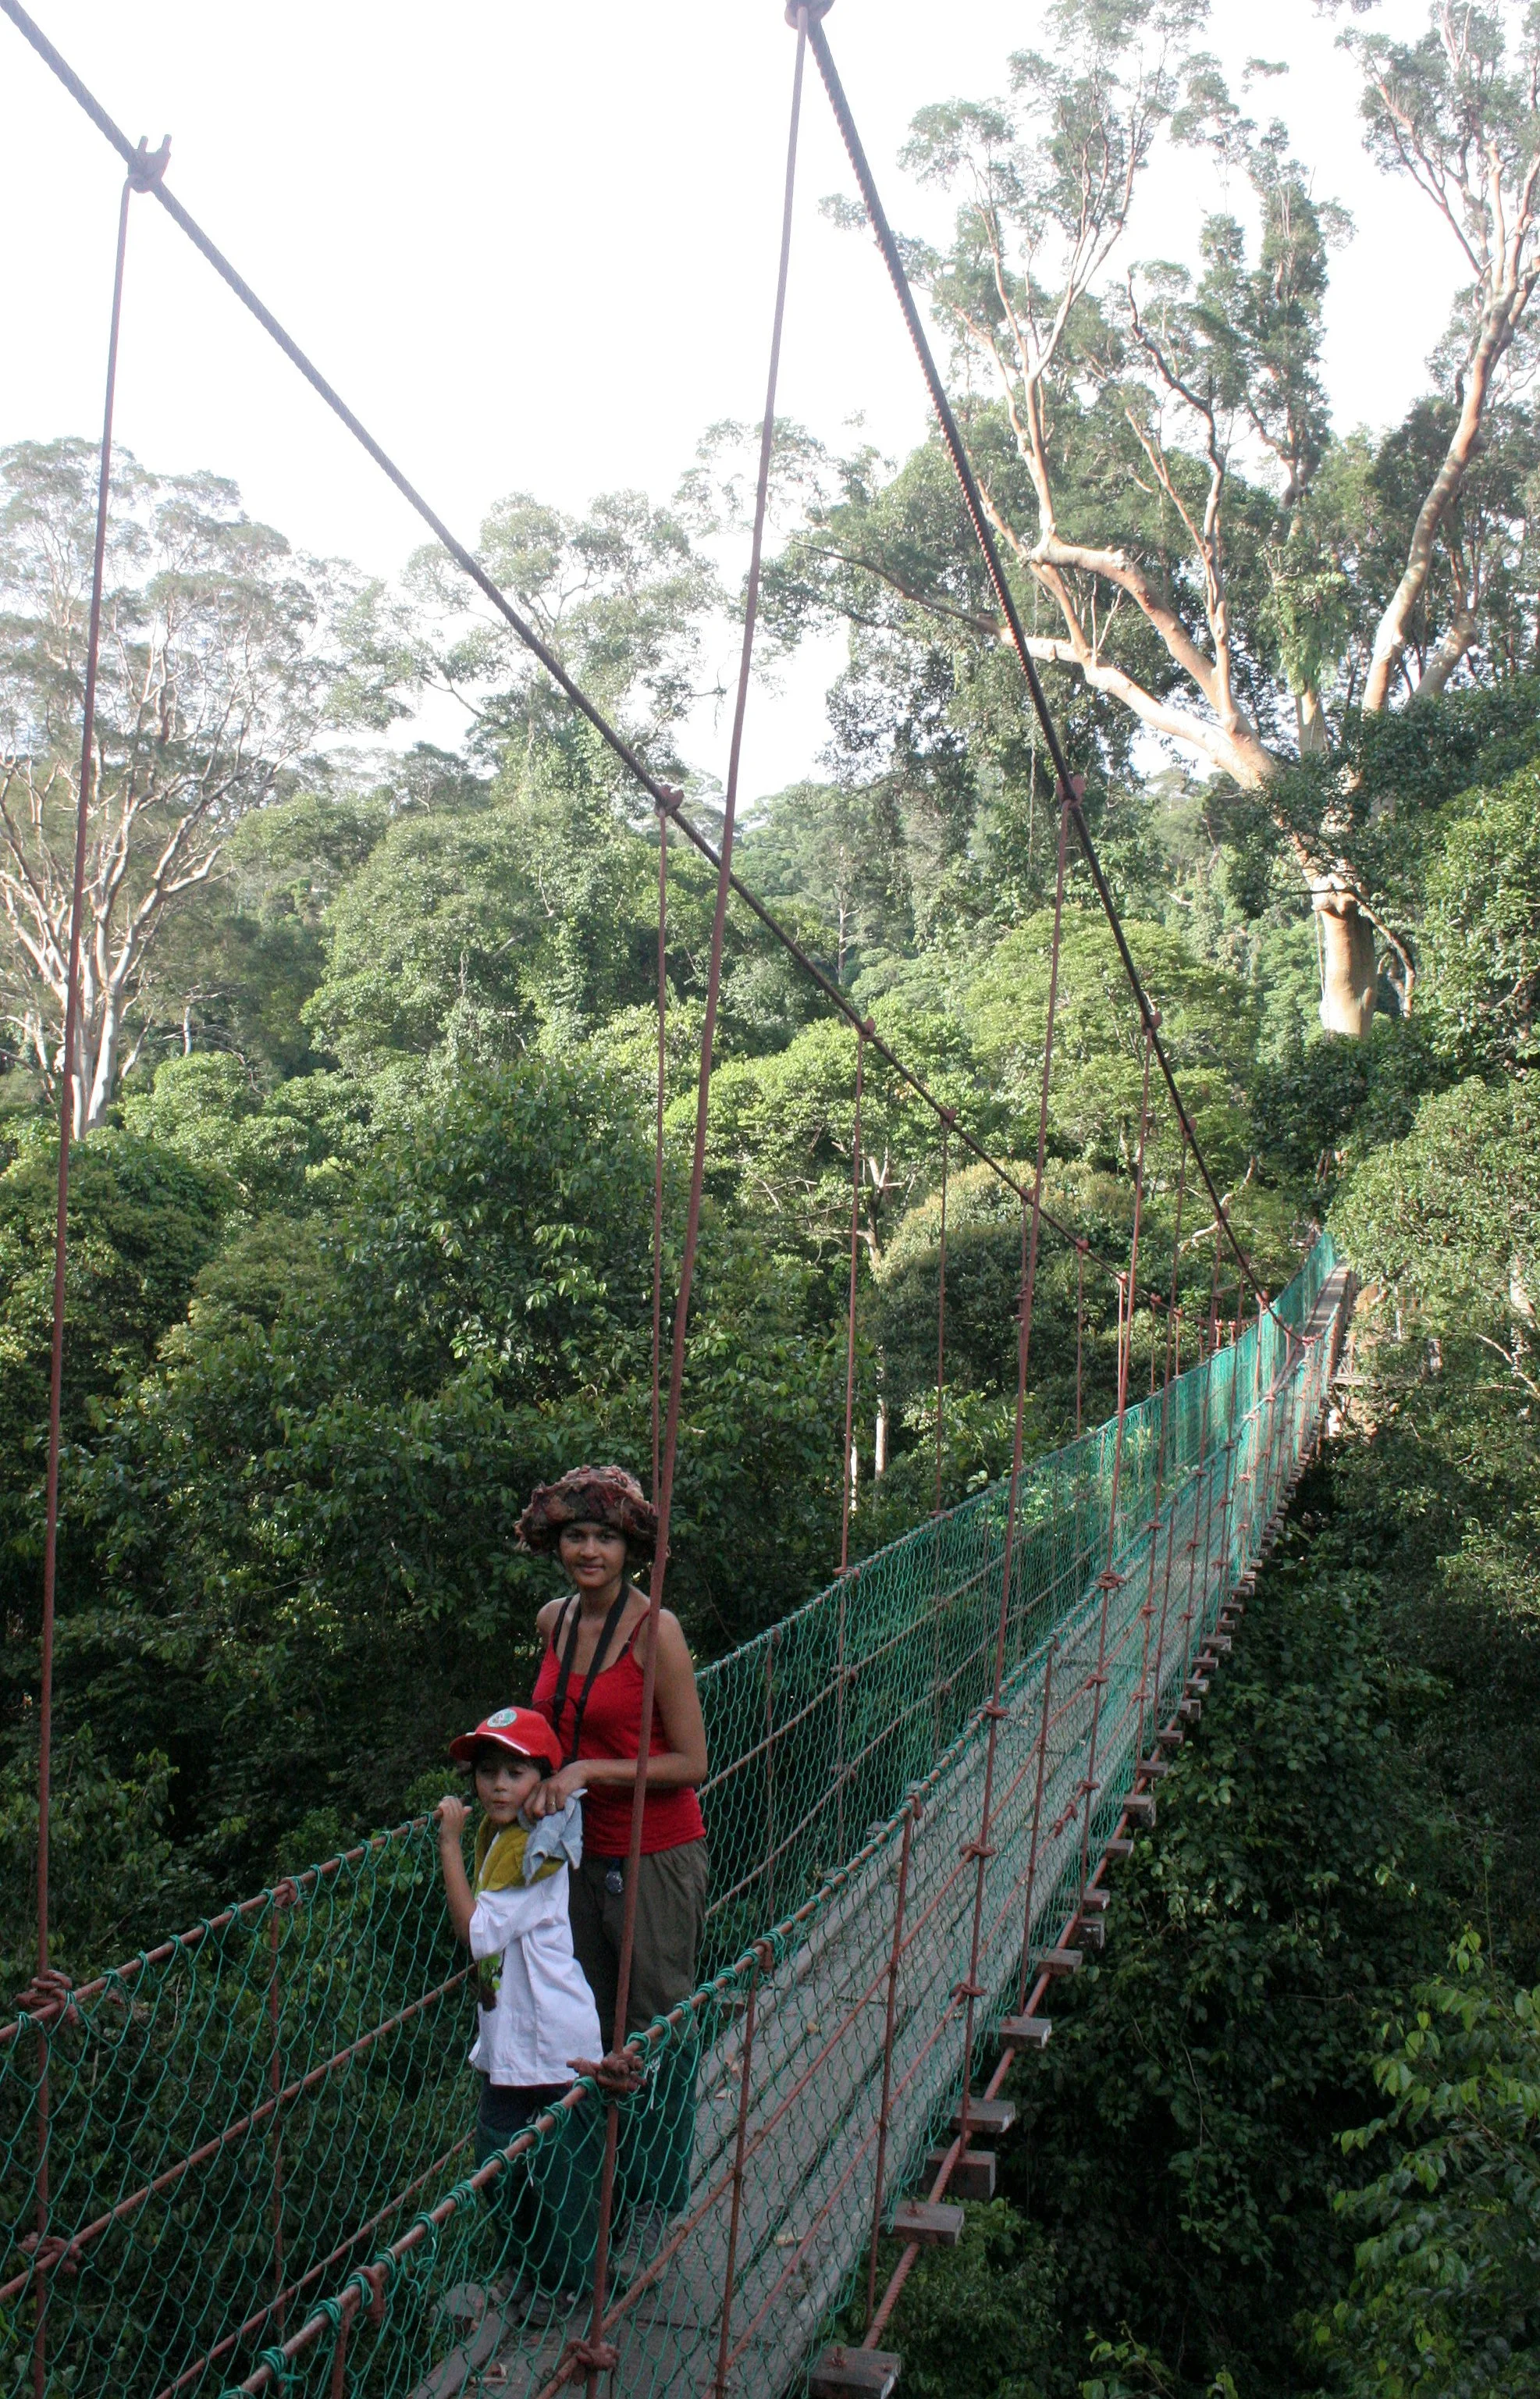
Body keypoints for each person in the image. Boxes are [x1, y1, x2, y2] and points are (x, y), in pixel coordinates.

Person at [517, 1465, 709, 2231]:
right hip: (574, 1856)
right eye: (574, 1535)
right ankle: (605, 2197)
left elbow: (692, 1761)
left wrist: (590, 1769)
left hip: (653, 1854)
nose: (587, 1549)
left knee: (653, 2024)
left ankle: (654, 2197)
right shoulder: (552, 1621)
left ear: (629, 1546)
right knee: (586, 2029)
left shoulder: (654, 1628)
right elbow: (552, 1730)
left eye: (602, 1535)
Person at [435, 1704, 604, 2312]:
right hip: (512, 2039)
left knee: (558, 2169)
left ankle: (566, 2282)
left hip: (554, 2040)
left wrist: (447, 1845)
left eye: (515, 1771)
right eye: (487, 1772)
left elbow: (475, 1931)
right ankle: (525, 2265)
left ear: (543, 1779)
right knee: (497, 2158)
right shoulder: (500, 1837)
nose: (498, 1785)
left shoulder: (536, 1849)